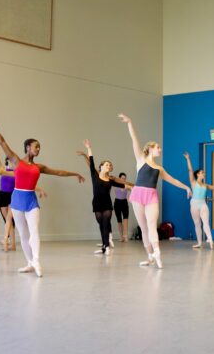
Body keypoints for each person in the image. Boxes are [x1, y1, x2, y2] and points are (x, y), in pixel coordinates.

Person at [0, 117, 84, 277]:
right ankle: (29, 262)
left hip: (31, 201)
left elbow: (58, 172)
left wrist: (75, 173)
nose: (38, 149)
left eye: (39, 148)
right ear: (28, 147)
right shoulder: (16, 160)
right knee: (23, 234)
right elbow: (2, 142)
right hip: (17, 201)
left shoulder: (38, 166)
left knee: (34, 231)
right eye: (36, 147)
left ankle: (36, 260)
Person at [118, 113, 191, 269]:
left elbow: (173, 180)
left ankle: (157, 252)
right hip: (137, 194)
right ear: (150, 148)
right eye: (158, 147)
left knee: (152, 225)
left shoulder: (159, 168)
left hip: (151, 196)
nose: (160, 149)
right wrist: (129, 122)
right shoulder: (141, 160)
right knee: (143, 228)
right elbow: (134, 140)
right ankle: (150, 257)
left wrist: (186, 187)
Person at [76, 140, 131, 255]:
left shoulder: (111, 180)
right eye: (106, 164)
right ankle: (104, 247)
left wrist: (135, 187)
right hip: (96, 204)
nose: (108, 166)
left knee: (106, 224)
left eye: (109, 165)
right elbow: (91, 161)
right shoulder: (94, 176)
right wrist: (89, 148)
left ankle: (106, 246)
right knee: (101, 226)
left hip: (107, 206)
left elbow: (124, 185)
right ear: (101, 167)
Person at [183, 151, 214, 250]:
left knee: (206, 223)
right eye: (202, 173)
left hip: (203, 204)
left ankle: (211, 241)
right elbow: (190, 170)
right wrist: (188, 159)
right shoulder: (193, 182)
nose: (204, 174)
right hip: (194, 204)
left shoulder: (205, 185)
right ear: (197, 175)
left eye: (204, 172)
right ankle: (200, 243)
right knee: (197, 224)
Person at [113, 173, 131, 243]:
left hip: (124, 202)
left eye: (125, 178)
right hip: (117, 203)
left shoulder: (126, 185)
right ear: (119, 178)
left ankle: (125, 236)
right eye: (122, 178)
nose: (124, 179)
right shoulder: (115, 184)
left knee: (125, 219)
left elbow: (133, 189)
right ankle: (121, 237)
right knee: (119, 220)